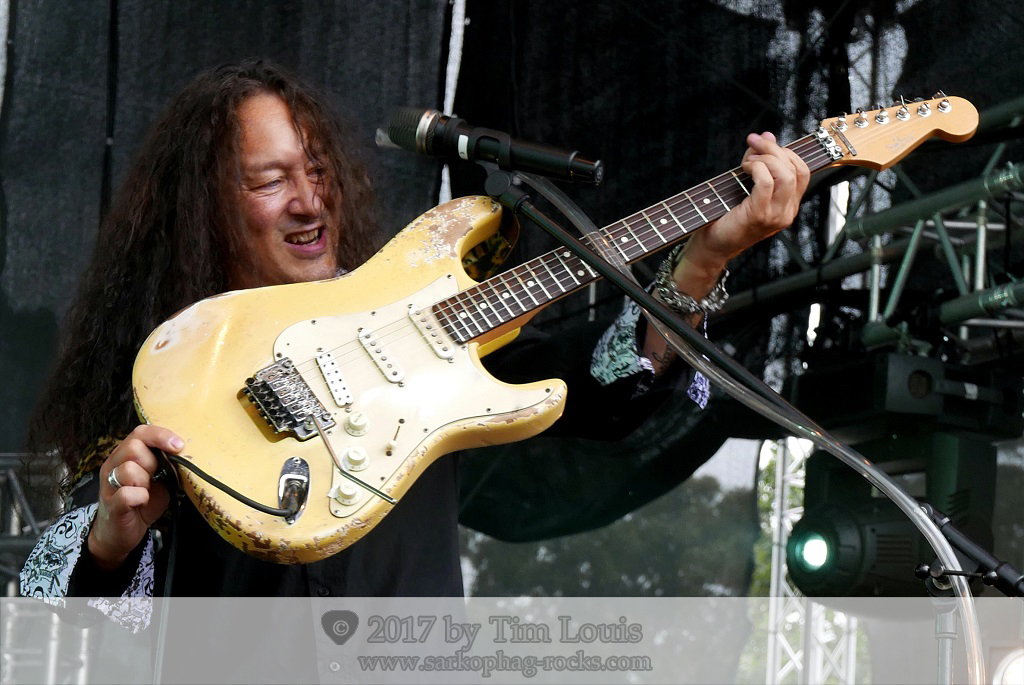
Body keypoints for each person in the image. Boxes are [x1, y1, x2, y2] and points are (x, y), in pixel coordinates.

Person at [19, 59, 808, 629]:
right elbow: (44, 590)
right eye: (271, 180)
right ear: (204, 208)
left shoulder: (422, 317)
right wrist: (109, 541)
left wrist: (703, 261)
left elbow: (605, 391)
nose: (309, 200)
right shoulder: (167, 366)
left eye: (318, 170)